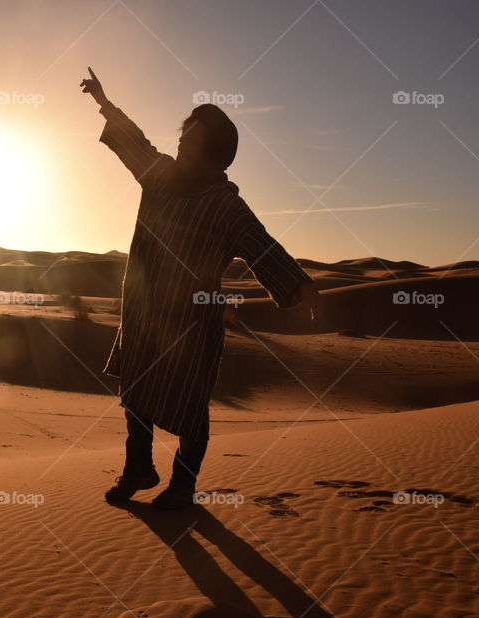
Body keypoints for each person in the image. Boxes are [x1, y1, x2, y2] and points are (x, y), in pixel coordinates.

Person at [81, 67, 320, 509]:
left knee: (190, 405)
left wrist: (300, 286)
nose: (180, 140)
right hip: (145, 313)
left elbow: (262, 248)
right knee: (135, 390)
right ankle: (139, 468)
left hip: (193, 324)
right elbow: (135, 144)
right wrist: (104, 102)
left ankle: (183, 486)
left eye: (190, 136)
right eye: (184, 132)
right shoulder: (160, 177)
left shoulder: (228, 206)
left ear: (212, 151)